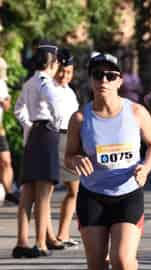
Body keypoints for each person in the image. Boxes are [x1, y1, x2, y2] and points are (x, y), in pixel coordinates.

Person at [64, 52, 151, 270]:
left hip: (128, 195)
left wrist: (146, 168)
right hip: (93, 197)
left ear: (120, 80)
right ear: (90, 80)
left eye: (110, 75)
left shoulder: (136, 112)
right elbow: (69, 156)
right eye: (97, 75)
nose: (104, 81)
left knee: (123, 262)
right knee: (97, 265)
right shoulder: (79, 119)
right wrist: (77, 160)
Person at [13, 42, 63, 258]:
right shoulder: (45, 82)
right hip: (46, 134)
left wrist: (28, 125)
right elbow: (56, 108)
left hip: (34, 134)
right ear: (52, 62)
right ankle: (41, 242)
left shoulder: (29, 81)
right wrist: (55, 123)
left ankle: (21, 241)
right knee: (43, 194)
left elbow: (18, 109)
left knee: (27, 192)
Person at [53, 48, 81, 247]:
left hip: (69, 140)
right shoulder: (48, 88)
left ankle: (63, 234)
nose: (64, 75)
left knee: (74, 189)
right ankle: (45, 236)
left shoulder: (71, 93)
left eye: (69, 72)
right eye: (61, 71)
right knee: (45, 191)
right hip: (51, 139)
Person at [0, 57, 18, 205]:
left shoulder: (1, 84)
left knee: (6, 161)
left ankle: (8, 192)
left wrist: (3, 100)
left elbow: (7, 106)